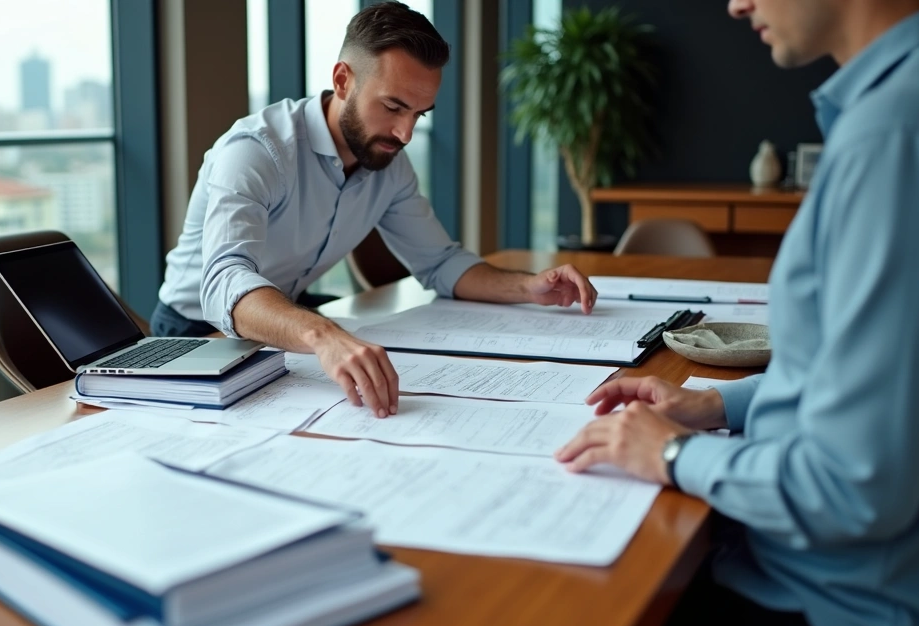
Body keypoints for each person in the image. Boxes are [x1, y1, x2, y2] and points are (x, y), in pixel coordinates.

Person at [555, 0, 919, 626]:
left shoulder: (894, 134)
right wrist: (717, 404)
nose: (735, 4)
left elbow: (854, 487)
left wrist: (672, 454)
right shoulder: (900, 109)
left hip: (831, 606)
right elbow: (877, 379)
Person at [152, 1, 596, 419]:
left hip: (282, 320)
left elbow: (440, 262)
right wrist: (323, 335)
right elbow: (224, 283)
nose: (405, 133)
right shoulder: (257, 150)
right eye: (393, 107)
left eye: (419, 114)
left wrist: (527, 287)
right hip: (195, 332)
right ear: (343, 80)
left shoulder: (389, 164)